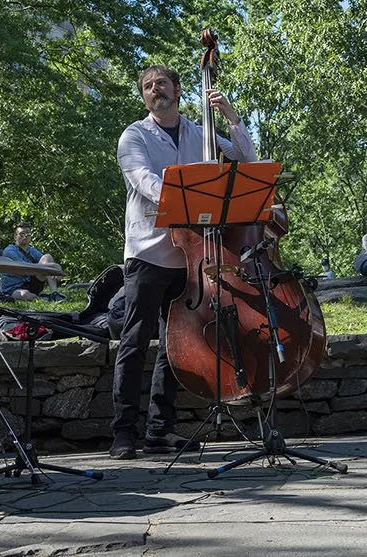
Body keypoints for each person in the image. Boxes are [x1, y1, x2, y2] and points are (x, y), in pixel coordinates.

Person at [111, 64, 256, 460]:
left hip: (189, 257)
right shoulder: (134, 135)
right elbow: (144, 181)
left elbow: (246, 160)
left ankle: (160, 430)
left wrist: (231, 117)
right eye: (147, 86)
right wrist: (190, 198)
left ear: (177, 90)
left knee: (174, 346)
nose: (154, 89)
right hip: (147, 253)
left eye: (161, 83)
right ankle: (123, 432)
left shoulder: (199, 133)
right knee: (134, 341)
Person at [0, 225, 62, 301]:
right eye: (22, 234)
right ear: (15, 236)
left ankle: (54, 293)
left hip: (32, 283)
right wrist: (54, 266)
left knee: (47, 257)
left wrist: (54, 269)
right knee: (24, 295)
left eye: (28, 233)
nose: (25, 236)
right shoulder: (9, 251)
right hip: (15, 288)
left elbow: (44, 263)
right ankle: (42, 298)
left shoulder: (32, 251)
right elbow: (24, 268)